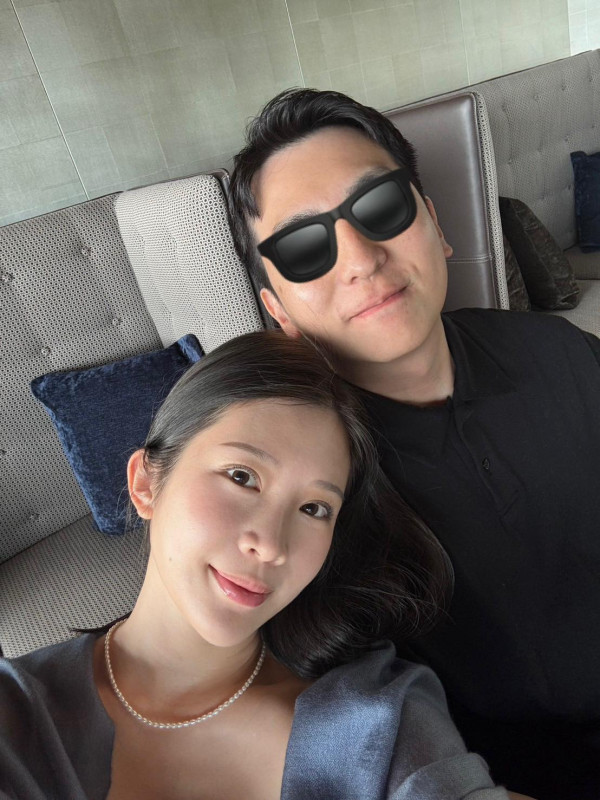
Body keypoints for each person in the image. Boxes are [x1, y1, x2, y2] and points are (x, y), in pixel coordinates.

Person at [227, 88, 600, 800]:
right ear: (278, 309)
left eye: (381, 208)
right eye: (304, 248)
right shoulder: (307, 491)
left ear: (434, 221)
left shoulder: (562, 351)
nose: (361, 258)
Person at [0, 331, 526, 800]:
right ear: (146, 483)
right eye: (242, 477)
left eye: (314, 509)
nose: (271, 545)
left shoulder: (377, 722)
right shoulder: (18, 715)